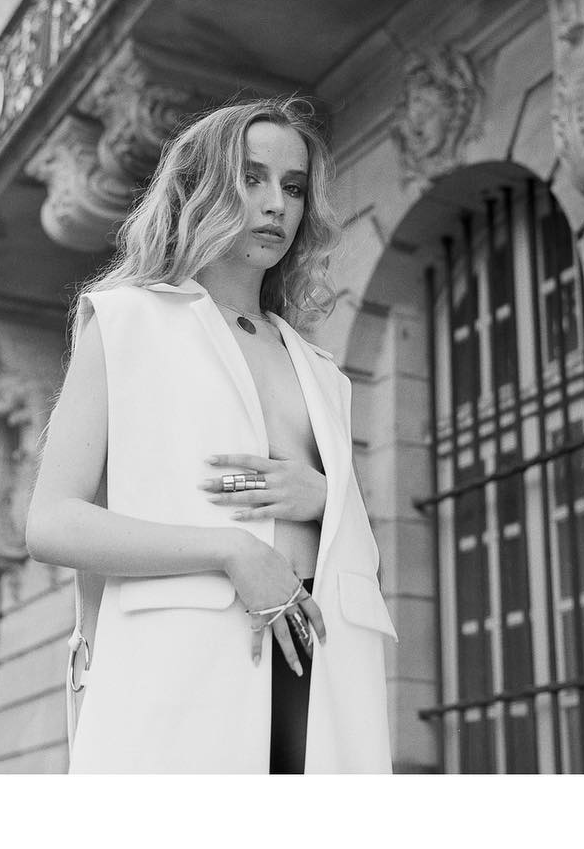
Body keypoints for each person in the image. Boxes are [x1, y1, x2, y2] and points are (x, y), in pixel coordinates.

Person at [25, 97, 396, 774]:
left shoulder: (322, 372)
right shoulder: (127, 322)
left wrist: (326, 498)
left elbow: (361, 556)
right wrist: (230, 550)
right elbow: (52, 523)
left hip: (321, 668)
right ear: (201, 188)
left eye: (292, 187)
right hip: (184, 670)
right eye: (251, 178)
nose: (276, 204)